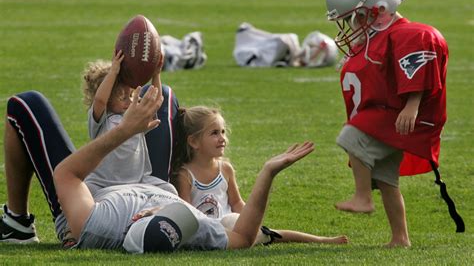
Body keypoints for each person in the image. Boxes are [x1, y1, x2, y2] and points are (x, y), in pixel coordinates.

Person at [1, 84, 316, 251]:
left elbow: (67, 174)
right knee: (163, 96)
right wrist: (268, 172)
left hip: (88, 195)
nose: (172, 210)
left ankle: (17, 223)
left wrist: (124, 131)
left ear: (140, 220)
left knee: (24, 103)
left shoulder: (101, 223)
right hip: (151, 180)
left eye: (166, 214)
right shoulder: (190, 223)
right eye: (176, 213)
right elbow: (244, 237)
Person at [326, 0, 450, 247]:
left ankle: (362, 198)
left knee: (351, 136)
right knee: (386, 179)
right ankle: (400, 238)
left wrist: (411, 106)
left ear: (379, 9)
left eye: (357, 17)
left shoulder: (412, 35)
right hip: (392, 117)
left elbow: (418, 76)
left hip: (406, 118)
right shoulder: (382, 38)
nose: (353, 26)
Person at [166, 106, 348, 245]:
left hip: (232, 226)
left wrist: (249, 220)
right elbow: (187, 211)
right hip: (208, 231)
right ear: (194, 141)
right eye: (214, 133)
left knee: (257, 228)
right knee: (265, 234)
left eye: (222, 131)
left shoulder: (226, 169)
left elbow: (236, 202)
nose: (222, 138)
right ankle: (275, 237)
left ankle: (321, 240)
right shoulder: (185, 174)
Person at [81, 51, 174, 195]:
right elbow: (100, 100)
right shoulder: (101, 120)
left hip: (137, 182)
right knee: (85, 192)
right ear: (108, 98)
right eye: (122, 97)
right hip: (103, 183)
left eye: (130, 95)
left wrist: (156, 74)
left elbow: (155, 102)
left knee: (169, 190)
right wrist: (113, 72)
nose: (130, 101)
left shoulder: (134, 116)